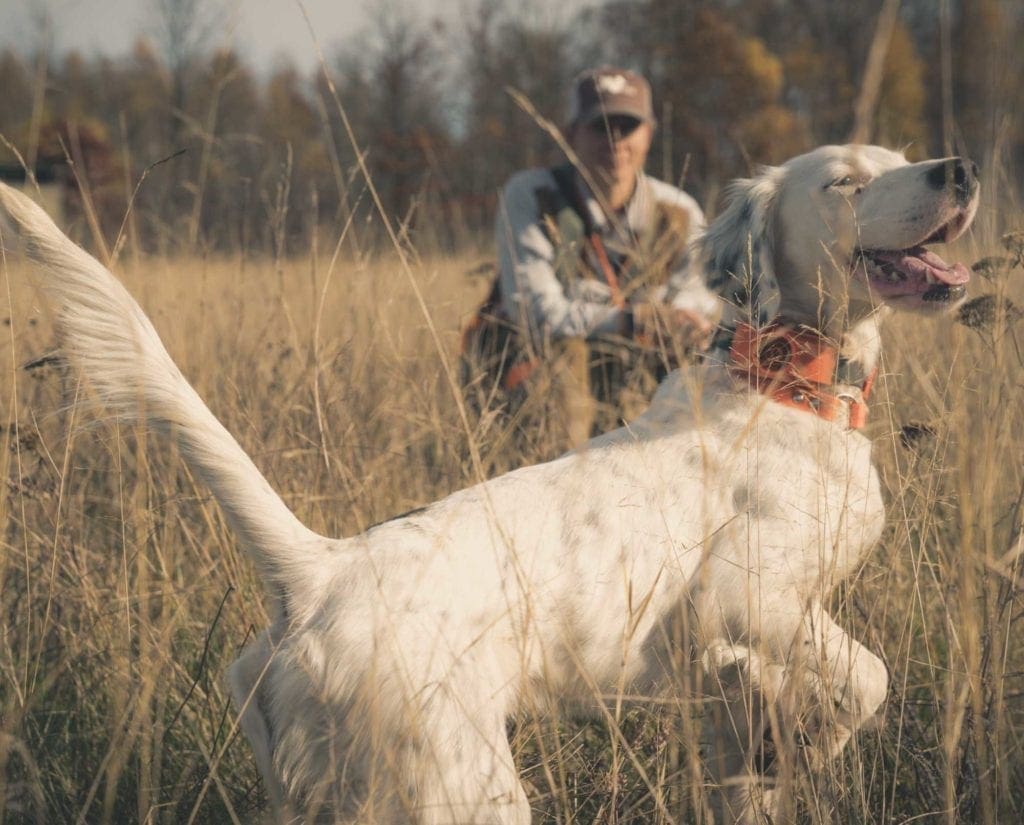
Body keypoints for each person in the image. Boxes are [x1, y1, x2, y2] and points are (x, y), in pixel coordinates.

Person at [464, 66, 719, 449]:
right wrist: (632, 320)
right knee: (563, 359)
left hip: (638, 364)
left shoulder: (678, 211)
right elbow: (536, 314)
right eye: (600, 126)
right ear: (571, 135)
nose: (615, 141)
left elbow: (700, 295)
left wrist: (680, 320)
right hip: (550, 375)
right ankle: (552, 472)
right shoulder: (534, 197)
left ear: (649, 134)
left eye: (628, 126)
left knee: (705, 367)